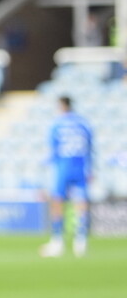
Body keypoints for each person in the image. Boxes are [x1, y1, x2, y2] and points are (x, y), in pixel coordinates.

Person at [40, 95, 93, 258]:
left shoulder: (57, 124)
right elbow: (90, 148)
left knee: (57, 201)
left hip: (63, 166)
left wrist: (44, 165)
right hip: (81, 166)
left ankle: (57, 241)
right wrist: (90, 169)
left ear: (62, 106)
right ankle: (81, 240)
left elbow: (53, 149)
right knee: (81, 202)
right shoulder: (84, 124)